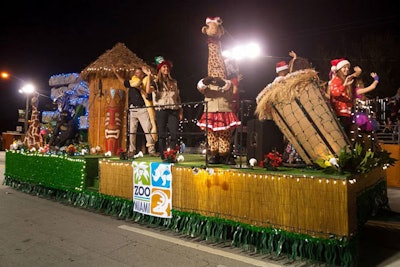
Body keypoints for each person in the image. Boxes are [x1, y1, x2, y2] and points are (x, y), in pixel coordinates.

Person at [112, 66, 158, 157]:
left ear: (142, 74)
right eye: (136, 73)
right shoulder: (132, 83)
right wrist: (116, 73)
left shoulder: (145, 83)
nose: (137, 74)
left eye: (139, 73)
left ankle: (152, 150)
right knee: (132, 131)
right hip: (133, 109)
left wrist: (140, 88)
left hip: (143, 109)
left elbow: (148, 95)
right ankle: (131, 150)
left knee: (148, 129)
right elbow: (124, 82)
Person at [145, 56, 182, 162]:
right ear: (160, 69)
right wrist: (148, 76)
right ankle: (163, 155)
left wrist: (180, 110)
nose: (166, 69)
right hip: (161, 110)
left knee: (174, 133)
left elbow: (178, 98)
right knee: (162, 134)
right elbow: (148, 90)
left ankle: (171, 155)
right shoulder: (156, 82)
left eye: (167, 67)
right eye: (164, 67)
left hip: (173, 109)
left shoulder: (173, 82)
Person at [329, 58, 355, 136]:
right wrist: (344, 85)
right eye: (344, 67)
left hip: (346, 114)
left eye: (348, 68)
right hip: (339, 113)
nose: (347, 69)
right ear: (339, 69)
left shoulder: (343, 80)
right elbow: (335, 93)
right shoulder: (336, 80)